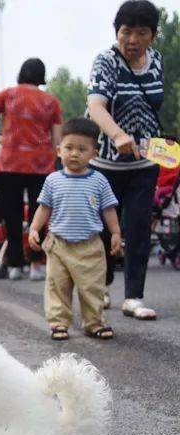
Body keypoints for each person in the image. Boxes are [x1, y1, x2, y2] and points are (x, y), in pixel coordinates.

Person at [87, 0, 162, 320]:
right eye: (125, 32)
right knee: (104, 231)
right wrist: (117, 135)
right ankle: (100, 287)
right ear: (116, 33)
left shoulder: (157, 60)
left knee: (139, 227)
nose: (132, 39)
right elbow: (96, 106)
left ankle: (134, 296)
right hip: (106, 166)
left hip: (145, 162)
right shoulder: (106, 61)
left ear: (152, 36)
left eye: (141, 33)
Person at [0, 58, 62, 281]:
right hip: (41, 165)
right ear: (41, 76)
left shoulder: (8, 95)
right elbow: (57, 140)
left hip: (9, 164)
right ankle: (36, 263)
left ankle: (16, 265)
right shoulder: (51, 102)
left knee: (11, 214)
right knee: (40, 213)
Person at [28, 118, 122, 341]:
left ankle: (94, 322)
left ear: (94, 153)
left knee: (92, 288)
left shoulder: (99, 181)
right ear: (59, 150)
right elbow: (44, 208)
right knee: (57, 287)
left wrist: (116, 233)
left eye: (82, 149)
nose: (74, 154)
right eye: (69, 148)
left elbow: (109, 209)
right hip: (58, 244)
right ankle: (58, 323)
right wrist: (34, 228)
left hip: (90, 246)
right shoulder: (52, 180)